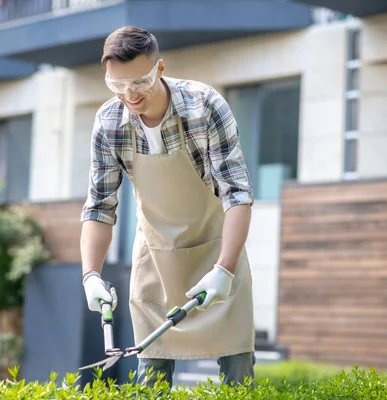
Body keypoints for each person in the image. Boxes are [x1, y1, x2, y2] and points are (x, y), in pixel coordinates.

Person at [79, 25, 256, 388]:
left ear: (159, 68)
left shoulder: (205, 106)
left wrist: (225, 269)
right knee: (151, 383)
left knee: (239, 374)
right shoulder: (109, 122)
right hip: (156, 262)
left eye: (139, 82)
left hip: (218, 253)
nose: (130, 94)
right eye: (117, 84)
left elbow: (237, 193)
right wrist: (90, 275)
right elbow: (100, 206)